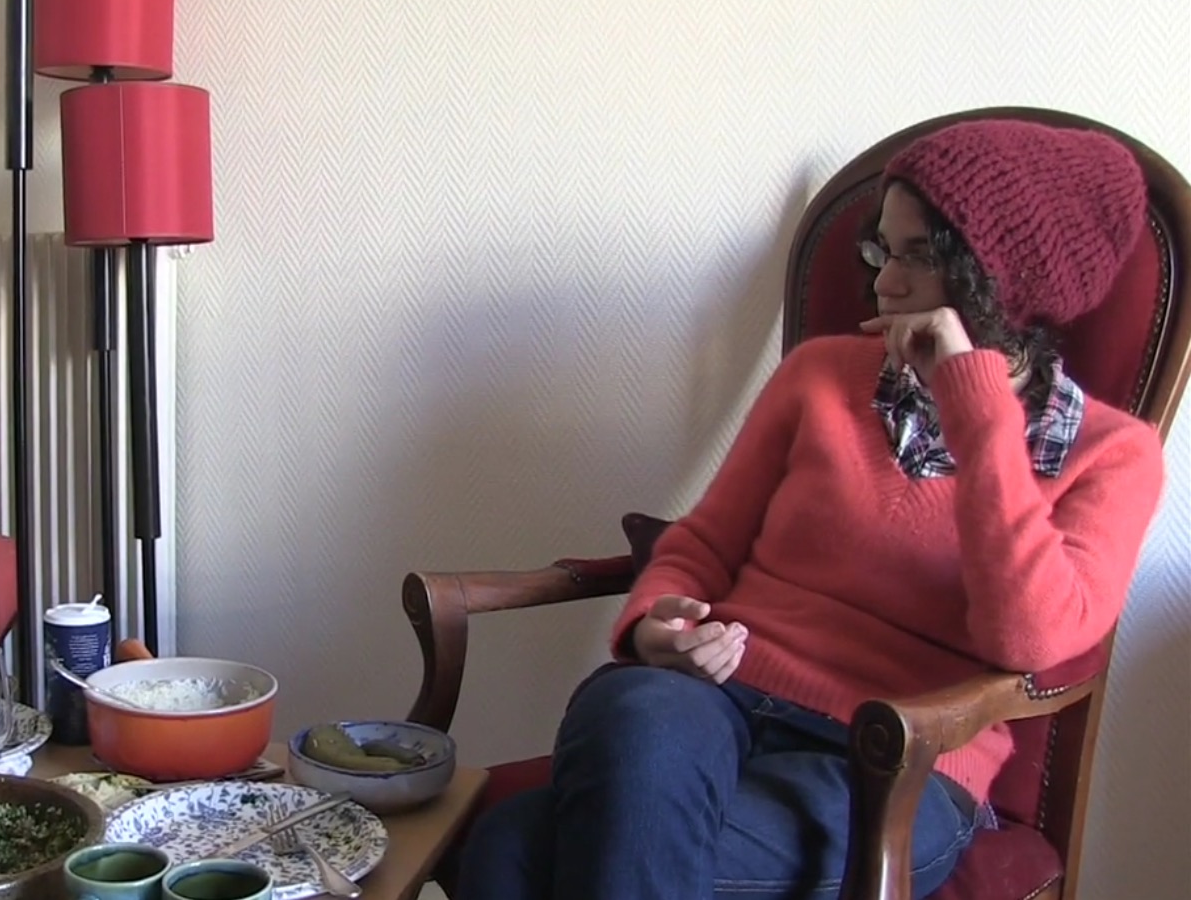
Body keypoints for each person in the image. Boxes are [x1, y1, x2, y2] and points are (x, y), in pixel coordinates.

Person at [455, 119, 1165, 899]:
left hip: (895, 763)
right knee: (632, 703)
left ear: (1007, 279)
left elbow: (1026, 638)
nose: (885, 284)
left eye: (919, 256)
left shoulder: (1111, 455)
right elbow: (703, 542)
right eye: (882, 252)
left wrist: (977, 409)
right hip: (715, 698)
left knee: (515, 847)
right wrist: (659, 624)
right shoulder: (820, 374)